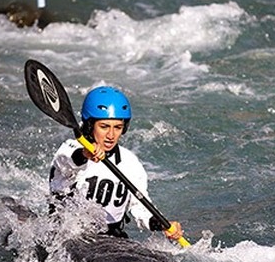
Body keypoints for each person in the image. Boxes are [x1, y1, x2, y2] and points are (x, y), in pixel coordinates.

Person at [49, 85, 183, 242]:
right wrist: (86, 153)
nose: (111, 135)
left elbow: (140, 207)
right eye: (104, 127)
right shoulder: (70, 148)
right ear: (90, 125)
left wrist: (161, 225)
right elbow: (68, 161)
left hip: (112, 239)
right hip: (68, 237)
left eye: (118, 127)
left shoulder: (130, 162)